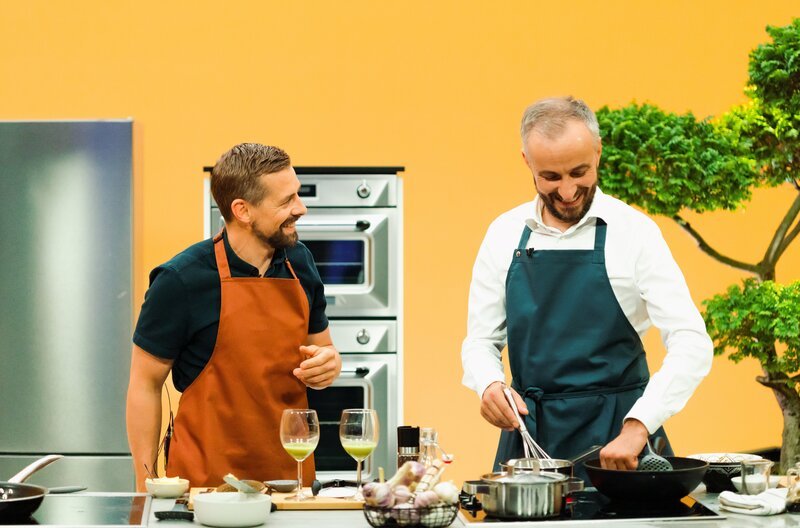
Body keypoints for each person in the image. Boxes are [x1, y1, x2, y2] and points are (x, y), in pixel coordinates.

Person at [461, 96, 712, 479]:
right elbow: (480, 341)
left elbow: (692, 341)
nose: (566, 192)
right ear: (527, 161)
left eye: (579, 173)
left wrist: (640, 424)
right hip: (531, 445)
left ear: (598, 152)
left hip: (622, 442)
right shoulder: (503, 234)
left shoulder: (634, 233)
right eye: (550, 177)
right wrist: (489, 384)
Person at [126, 143, 341, 491]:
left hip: (290, 482)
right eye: (286, 201)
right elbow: (144, 384)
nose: (300, 208)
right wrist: (145, 485)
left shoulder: (300, 263)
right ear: (243, 210)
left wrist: (330, 365)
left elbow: (324, 353)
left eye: (297, 195)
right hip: (203, 487)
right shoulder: (180, 279)